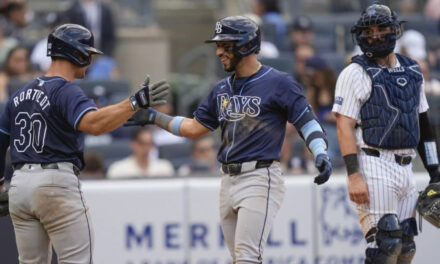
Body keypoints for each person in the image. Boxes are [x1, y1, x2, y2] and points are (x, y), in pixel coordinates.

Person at [126, 16, 332, 263]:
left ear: (244, 45)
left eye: (225, 45)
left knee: (247, 257)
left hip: (260, 176)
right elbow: (194, 128)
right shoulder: (222, 88)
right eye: (219, 46)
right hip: (227, 180)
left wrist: (319, 151)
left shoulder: (278, 82)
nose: (219, 52)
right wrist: (154, 117)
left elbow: (306, 121)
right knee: (241, 259)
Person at [0, 23, 169, 263]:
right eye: (87, 54)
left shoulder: (19, 94)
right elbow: (94, 124)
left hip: (19, 186)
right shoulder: (66, 90)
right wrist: (133, 102)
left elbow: (0, 141)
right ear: (75, 53)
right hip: (54, 183)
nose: (89, 60)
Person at [333, 3, 440, 264]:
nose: (376, 35)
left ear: (395, 30)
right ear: (360, 34)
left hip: (406, 167)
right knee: (386, 245)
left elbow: (423, 124)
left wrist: (435, 172)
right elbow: (344, 124)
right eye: (370, 30)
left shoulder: (412, 69)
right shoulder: (354, 72)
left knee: (405, 246)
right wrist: (353, 174)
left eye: (382, 28)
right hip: (373, 162)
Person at [106, 127, 175, 178]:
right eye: (142, 144)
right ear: (133, 144)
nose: (146, 148)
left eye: (149, 144)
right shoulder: (118, 169)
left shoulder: (164, 167)